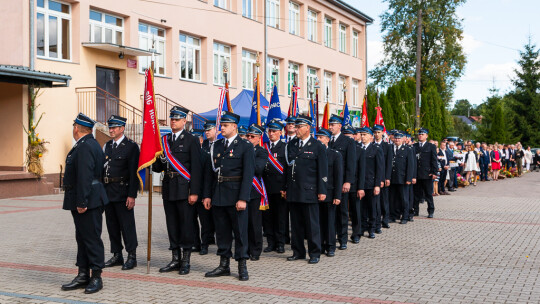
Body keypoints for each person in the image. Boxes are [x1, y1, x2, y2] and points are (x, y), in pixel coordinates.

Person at [203, 111, 254, 281]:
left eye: (225, 125)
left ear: (234, 126)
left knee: (240, 232)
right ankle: (224, 264)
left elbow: (248, 175)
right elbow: (210, 174)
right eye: (221, 125)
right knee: (222, 232)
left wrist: (243, 198)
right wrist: (207, 195)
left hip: (235, 195)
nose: (221, 128)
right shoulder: (216, 145)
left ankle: (242, 264)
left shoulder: (245, 146)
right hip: (218, 194)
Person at [61, 113, 108, 294]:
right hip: (88, 198)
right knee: (82, 237)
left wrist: (82, 201)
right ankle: (82, 274)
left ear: (76, 128)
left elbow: (85, 176)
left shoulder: (86, 146)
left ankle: (96, 276)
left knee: (91, 238)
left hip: (88, 200)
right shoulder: (87, 144)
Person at [153, 106, 202, 275]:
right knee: (172, 224)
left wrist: (194, 191)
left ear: (184, 121)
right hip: (168, 187)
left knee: (186, 224)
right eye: (172, 118)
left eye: (177, 118)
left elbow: (196, 167)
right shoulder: (164, 140)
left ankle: (186, 260)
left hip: (185, 188)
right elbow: (158, 167)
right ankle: (175, 258)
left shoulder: (191, 140)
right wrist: (154, 156)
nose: (173, 121)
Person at [284, 114, 328, 264]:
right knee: (296, 225)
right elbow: (287, 168)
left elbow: (323, 171)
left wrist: (322, 191)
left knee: (311, 224)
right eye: (295, 126)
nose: (296, 129)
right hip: (294, 190)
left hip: (310, 191)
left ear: (308, 128)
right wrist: (285, 187)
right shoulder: (291, 145)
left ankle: (314, 253)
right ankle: (298, 252)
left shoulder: (318, 146)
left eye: (299, 126)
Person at [102, 115, 140, 271]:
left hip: (123, 191)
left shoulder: (131, 146)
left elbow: (134, 172)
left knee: (127, 225)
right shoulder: (107, 146)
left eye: (114, 127)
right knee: (112, 225)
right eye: (110, 127)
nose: (111, 130)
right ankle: (117, 254)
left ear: (122, 128)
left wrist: (132, 195)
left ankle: (132, 256)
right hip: (108, 191)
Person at [327, 115, 357, 248]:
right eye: (330, 124)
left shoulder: (347, 141)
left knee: (342, 211)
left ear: (340, 126)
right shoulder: (327, 140)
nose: (331, 127)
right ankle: (329, 238)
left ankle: (343, 238)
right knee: (330, 212)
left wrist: (348, 181)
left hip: (341, 182)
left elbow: (351, 163)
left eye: (333, 124)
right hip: (329, 183)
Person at [315, 128, 343, 257]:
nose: (319, 140)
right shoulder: (313, 154)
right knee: (318, 221)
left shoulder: (334, 154)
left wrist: (338, 195)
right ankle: (319, 245)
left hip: (330, 192)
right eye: (317, 137)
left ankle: (330, 246)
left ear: (327, 139)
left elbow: (338, 177)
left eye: (321, 137)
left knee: (330, 221)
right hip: (316, 193)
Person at [262, 119, 288, 254]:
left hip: (279, 188)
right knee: (267, 217)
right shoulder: (264, 147)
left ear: (280, 132)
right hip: (265, 188)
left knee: (280, 217)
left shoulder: (285, 148)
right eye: (269, 131)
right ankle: (270, 242)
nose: (271, 134)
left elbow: (287, 170)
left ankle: (280, 243)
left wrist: (285, 187)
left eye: (274, 131)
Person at [245, 124, 269, 261]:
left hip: (254, 191)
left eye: (252, 136)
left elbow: (258, 169)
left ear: (258, 138)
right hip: (241, 190)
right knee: (243, 223)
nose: (248, 138)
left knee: (254, 223)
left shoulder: (261, 152)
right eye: (247, 136)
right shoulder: (242, 149)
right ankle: (245, 249)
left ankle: (255, 250)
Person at [194, 121, 218, 255]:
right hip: (204, 187)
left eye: (210, 130)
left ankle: (211, 239)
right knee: (204, 219)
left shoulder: (219, 145)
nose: (207, 132)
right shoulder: (203, 149)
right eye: (206, 130)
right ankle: (203, 244)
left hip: (217, 187)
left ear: (216, 130)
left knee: (212, 219)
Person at [357, 127, 383, 239]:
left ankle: (372, 228)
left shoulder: (376, 149)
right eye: (361, 134)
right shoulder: (357, 148)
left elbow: (379, 168)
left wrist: (377, 185)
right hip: (360, 184)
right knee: (361, 208)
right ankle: (362, 227)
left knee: (372, 207)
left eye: (365, 135)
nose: (362, 137)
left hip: (371, 183)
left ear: (371, 137)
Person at [413, 128, 438, 218]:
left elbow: (434, 160)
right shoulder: (414, 146)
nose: (420, 135)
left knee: (428, 194)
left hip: (427, 174)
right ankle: (415, 210)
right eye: (419, 134)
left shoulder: (431, 146)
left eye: (422, 134)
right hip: (416, 174)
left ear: (426, 136)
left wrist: (434, 172)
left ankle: (430, 211)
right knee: (416, 194)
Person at [389, 132, 414, 224]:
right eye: (396, 138)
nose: (397, 140)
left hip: (403, 178)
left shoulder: (407, 149)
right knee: (393, 199)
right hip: (392, 178)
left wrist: (409, 178)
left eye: (399, 138)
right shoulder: (390, 148)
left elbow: (410, 165)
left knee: (404, 199)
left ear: (402, 139)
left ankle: (405, 216)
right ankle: (393, 216)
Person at [373, 124, 393, 232]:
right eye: (375, 132)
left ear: (382, 133)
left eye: (379, 132)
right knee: (375, 202)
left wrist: (387, 178)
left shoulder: (387, 146)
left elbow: (388, 164)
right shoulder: (371, 145)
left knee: (384, 200)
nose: (377, 134)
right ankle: (375, 221)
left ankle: (385, 220)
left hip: (383, 177)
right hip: (374, 177)